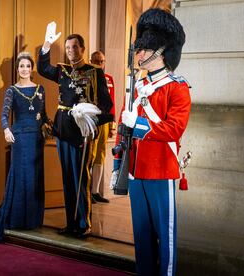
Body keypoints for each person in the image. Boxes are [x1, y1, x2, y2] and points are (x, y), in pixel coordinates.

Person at [112, 9, 191, 275]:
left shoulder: (177, 87)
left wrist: (140, 125)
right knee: (142, 237)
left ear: (161, 52)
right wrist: (116, 165)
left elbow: (174, 129)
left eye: (145, 49)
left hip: (161, 169)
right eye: (140, 48)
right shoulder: (135, 86)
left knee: (165, 238)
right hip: (135, 170)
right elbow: (122, 131)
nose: (140, 54)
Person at [37, 22, 113, 238]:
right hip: (63, 129)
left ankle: (83, 223)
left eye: (75, 47)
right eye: (68, 47)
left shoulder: (94, 72)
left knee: (82, 179)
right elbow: (43, 68)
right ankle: (70, 223)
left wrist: (91, 121)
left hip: (82, 132)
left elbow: (107, 106)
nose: (71, 51)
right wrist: (47, 44)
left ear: (83, 49)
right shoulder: (61, 70)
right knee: (68, 180)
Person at [0, 52, 46, 242]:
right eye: (21, 66)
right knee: (21, 177)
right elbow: (4, 115)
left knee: (34, 179)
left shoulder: (41, 89)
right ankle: (16, 219)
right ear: (17, 69)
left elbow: (44, 116)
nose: (25, 69)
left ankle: (32, 220)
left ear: (32, 69)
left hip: (37, 139)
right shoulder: (11, 91)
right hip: (20, 138)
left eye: (28, 66)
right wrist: (6, 130)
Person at [89, 51, 116, 203]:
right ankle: (86, 192)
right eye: (96, 61)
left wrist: (112, 124)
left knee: (100, 155)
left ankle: (95, 192)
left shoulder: (109, 79)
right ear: (91, 61)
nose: (99, 64)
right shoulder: (86, 77)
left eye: (102, 61)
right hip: (91, 121)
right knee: (89, 155)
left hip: (105, 121)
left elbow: (112, 102)